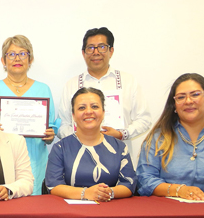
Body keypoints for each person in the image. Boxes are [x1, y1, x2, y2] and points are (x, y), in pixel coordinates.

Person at [57, 27, 151, 163]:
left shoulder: (128, 81)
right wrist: (80, 137)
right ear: (83, 53)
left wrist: (121, 134)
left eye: (101, 47)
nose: (96, 52)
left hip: (119, 159)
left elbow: (144, 119)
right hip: (79, 159)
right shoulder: (71, 85)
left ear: (111, 51)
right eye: (90, 48)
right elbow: (63, 124)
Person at [0, 35, 60, 195]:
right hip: (0, 157)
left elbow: (50, 126)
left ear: (30, 59)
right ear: (3, 60)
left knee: (32, 204)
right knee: (2, 200)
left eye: (22, 53)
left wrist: (50, 135)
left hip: (34, 158)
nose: (17, 58)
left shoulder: (43, 89)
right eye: (11, 54)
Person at [46, 87, 136, 201]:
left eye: (94, 106)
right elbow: (53, 185)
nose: (88, 111)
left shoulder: (119, 147)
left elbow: (129, 184)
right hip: (71, 210)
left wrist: (107, 193)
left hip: (109, 207)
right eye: (82, 108)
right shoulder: (60, 148)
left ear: (103, 113)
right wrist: (85, 193)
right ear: (73, 115)